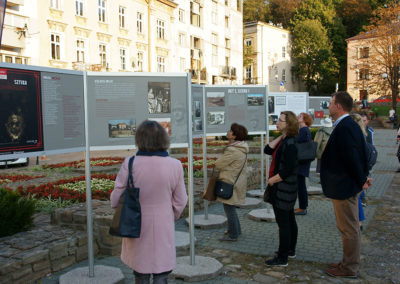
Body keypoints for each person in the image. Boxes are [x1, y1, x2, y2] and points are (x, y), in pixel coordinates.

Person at [110, 120, 188, 284]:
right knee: (161, 273)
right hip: (163, 223)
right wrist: (169, 215)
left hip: (135, 223)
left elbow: (116, 198)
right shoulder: (175, 165)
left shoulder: (130, 163)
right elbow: (181, 200)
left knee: (140, 273)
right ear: (163, 139)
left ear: (139, 139)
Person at [321, 91, 371, 279]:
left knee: (349, 229)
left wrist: (361, 180)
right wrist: (363, 178)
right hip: (345, 185)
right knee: (347, 228)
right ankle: (346, 262)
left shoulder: (346, 127)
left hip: (345, 187)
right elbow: (359, 155)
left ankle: (349, 268)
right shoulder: (348, 125)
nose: (329, 106)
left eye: (331, 103)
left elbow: (354, 158)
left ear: (339, 106)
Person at [264, 111, 299, 266]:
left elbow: (288, 169)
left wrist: (273, 180)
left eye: (280, 120)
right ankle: (290, 250)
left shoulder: (290, 144)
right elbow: (267, 150)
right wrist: (281, 136)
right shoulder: (285, 140)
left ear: (288, 124)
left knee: (284, 223)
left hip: (283, 188)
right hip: (285, 187)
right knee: (289, 219)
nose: (277, 122)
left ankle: (282, 257)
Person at [215, 123, 249, 242]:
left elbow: (218, 164)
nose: (228, 132)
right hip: (236, 182)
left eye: (230, 130)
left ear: (234, 136)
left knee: (229, 208)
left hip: (229, 182)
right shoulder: (241, 147)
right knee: (231, 207)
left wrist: (218, 159)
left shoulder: (233, 150)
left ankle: (233, 235)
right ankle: (236, 230)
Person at [349, 113, 368, 231]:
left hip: (357, 170)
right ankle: (359, 220)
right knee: (357, 196)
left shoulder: (357, 135)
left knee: (356, 197)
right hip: (360, 170)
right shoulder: (362, 134)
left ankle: (359, 222)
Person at [294, 112, 313, 215]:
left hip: (301, 162)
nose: (298, 117)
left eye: (300, 116)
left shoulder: (304, 130)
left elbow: (296, 142)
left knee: (301, 186)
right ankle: (302, 206)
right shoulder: (304, 130)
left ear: (304, 120)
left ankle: (302, 208)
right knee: (301, 185)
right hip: (303, 161)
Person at [360, 112, 374, 205]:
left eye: (364, 120)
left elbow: (371, 146)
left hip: (365, 159)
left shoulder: (369, 131)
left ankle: (363, 198)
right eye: (361, 120)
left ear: (367, 121)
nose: (362, 122)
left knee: (363, 178)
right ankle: (361, 198)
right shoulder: (357, 130)